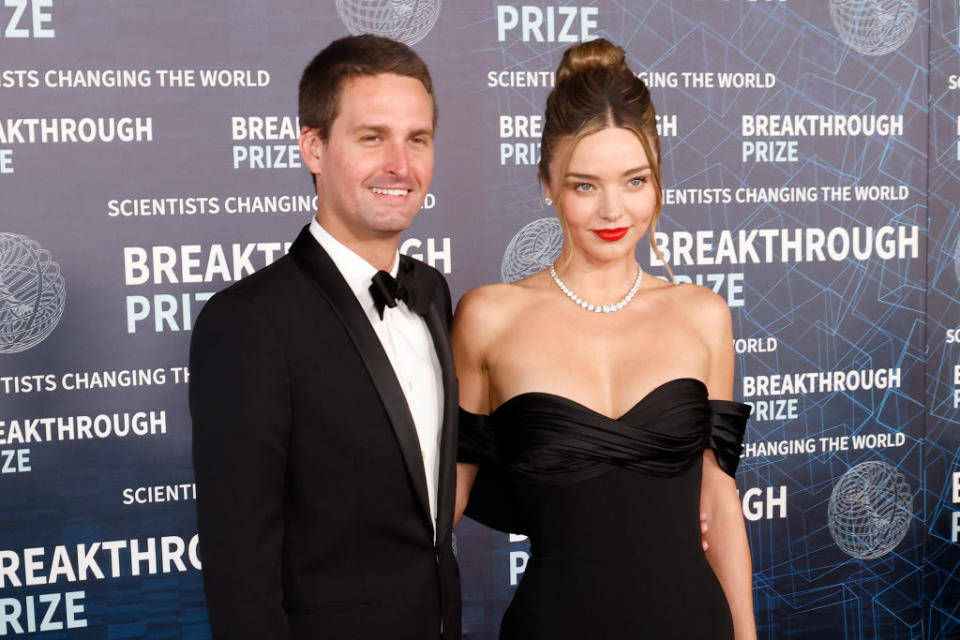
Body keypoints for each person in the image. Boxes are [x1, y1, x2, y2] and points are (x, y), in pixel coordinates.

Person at [453, 39, 756, 639]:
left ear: (658, 181)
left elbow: (720, 503)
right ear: (548, 184)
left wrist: (745, 635)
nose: (613, 210)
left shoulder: (703, 315)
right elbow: (442, 508)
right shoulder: (490, 317)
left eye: (634, 180)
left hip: (691, 622)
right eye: (585, 185)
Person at [190, 34, 460, 640]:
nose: (401, 164)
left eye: (417, 139)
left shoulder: (433, 294)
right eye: (372, 137)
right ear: (313, 147)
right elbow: (239, 572)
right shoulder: (249, 322)